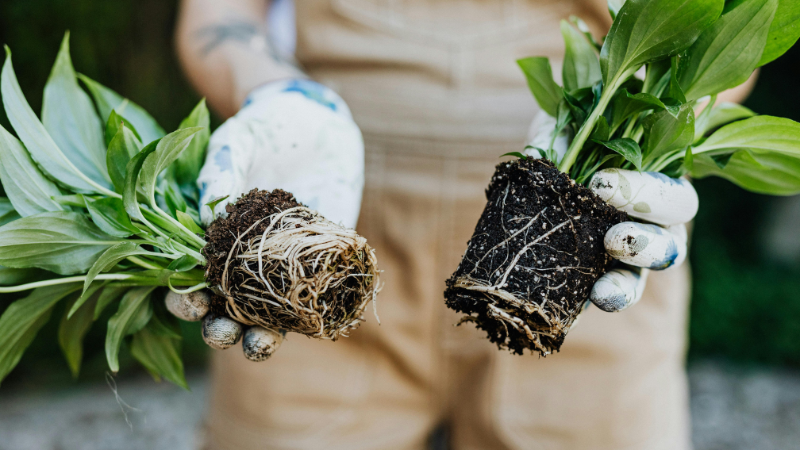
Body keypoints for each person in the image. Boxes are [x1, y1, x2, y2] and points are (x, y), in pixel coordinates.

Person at [172, 0, 755, 448]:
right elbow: (218, 16)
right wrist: (273, 93)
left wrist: (643, 139)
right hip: (327, 227)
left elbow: (729, 41)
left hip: (574, 236)